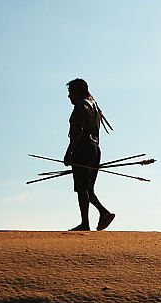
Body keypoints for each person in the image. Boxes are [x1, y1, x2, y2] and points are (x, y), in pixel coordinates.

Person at [63, 78, 115, 231]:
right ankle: (103, 214)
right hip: (95, 149)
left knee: (82, 188)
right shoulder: (93, 105)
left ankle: (86, 223)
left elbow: (78, 131)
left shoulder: (81, 105)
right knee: (87, 189)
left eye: (70, 93)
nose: (69, 97)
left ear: (78, 92)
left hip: (83, 149)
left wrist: (69, 152)